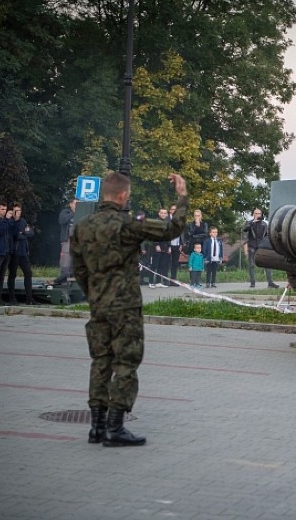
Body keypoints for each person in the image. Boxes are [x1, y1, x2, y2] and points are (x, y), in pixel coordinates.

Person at [70, 171, 188, 447]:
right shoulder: (128, 225)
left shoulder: (83, 226)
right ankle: (115, 427)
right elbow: (171, 229)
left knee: (101, 360)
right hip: (125, 306)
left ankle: (96, 427)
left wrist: (94, 295)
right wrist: (182, 196)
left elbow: (79, 270)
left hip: (98, 305)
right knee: (125, 362)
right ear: (123, 196)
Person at [242, 208, 278, 288]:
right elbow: (245, 229)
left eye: (259, 214)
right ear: (253, 214)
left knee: (267, 264)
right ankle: (252, 283)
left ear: (261, 215)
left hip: (261, 246)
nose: (258, 215)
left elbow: (267, 235)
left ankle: (270, 283)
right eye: (256, 213)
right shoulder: (249, 223)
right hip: (252, 246)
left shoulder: (264, 224)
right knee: (251, 265)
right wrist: (252, 222)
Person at [6, 203, 34, 305]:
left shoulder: (23, 221)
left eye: (19, 211)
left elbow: (30, 232)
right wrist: (22, 233)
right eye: (16, 211)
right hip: (14, 252)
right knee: (12, 275)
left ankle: (29, 299)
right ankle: (12, 299)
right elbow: (14, 235)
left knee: (28, 274)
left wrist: (22, 233)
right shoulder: (10, 222)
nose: (18, 213)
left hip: (23, 252)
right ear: (13, 212)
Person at [52, 198, 76, 286]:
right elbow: (62, 221)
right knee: (65, 262)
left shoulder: (82, 214)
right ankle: (62, 282)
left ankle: (72, 284)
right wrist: (73, 213)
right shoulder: (65, 212)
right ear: (71, 204)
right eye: (76, 204)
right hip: (67, 241)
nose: (78, 206)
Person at [149, 208, 171, 288]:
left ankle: (158, 282)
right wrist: (156, 244)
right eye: (161, 213)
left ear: (167, 214)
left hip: (165, 246)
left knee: (161, 265)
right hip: (156, 247)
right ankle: (151, 282)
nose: (163, 214)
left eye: (165, 213)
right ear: (159, 213)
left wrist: (169, 246)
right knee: (154, 265)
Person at [167, 204, 181, 284]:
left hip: (177, 244)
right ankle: (164, 281)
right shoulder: (167, 219)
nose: (174, 211)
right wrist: (168, 245)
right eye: (172, 209)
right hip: (169, 245)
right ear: (170, 210)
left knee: (175, 264)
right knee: (166, 263)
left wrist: (181, 244)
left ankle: (173, 280)